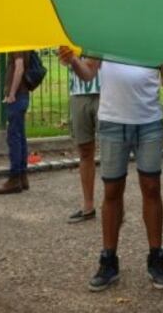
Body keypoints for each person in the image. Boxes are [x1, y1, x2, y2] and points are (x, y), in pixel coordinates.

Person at [58, 47, 163, 292]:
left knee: (152, 187)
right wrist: (72, 60)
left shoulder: (157, 35)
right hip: (113, 121)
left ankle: (156, 258)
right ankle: (109, 259)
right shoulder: (106, 34)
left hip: (149, 122)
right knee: (112, 191)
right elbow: (88, 73)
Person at [66, 64, 101, 223]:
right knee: (85, 150)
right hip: (78, 92)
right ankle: (88, 206)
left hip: (106, 91)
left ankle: (114, 205)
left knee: (112, 149)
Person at [0, 51, 31, 195]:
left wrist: (12, 93)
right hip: (22, 94)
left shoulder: (18, 43)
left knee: (14, 137)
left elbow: (19, 67)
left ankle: (15, 178)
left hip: (18, 95)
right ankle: (22, 176)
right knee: (20, 136)